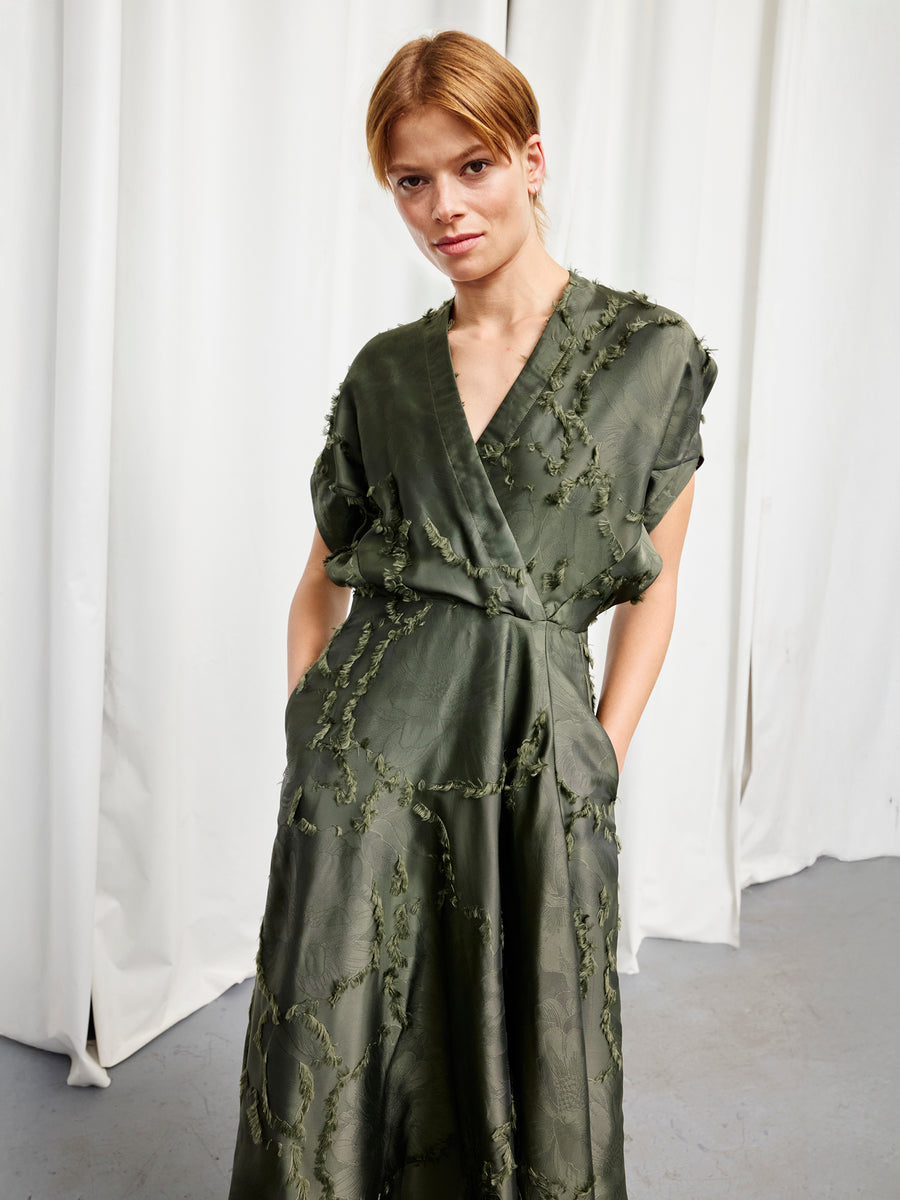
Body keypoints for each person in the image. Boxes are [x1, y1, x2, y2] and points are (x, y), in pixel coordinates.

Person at [228, 29, 716, 1200]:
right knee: (344, 1063)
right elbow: (320, 577)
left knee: (536, 1051)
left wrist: (599, 753)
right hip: (367, 776)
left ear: (531, 160)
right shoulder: (386, 374)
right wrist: (318, 737)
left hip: (531, 760)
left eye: (474, 166)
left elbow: (656, 583)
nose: (444, 207)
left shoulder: (648, 355)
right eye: (411, 180)